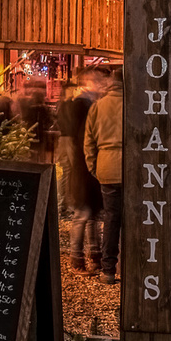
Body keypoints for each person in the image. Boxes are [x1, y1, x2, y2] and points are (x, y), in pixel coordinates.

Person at [57, 66, 107, 273]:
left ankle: (93, 255)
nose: (100, 85)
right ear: (88, 82)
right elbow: (82, 140)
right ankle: (77, 257)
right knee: (84, 214)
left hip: (86, 168)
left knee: (90, 214)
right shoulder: (81, 105)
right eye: (98, 81)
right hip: (84, 168)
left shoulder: (83, 104)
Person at [83, 67, 124, 285]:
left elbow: (88, 142)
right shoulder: (135, 105)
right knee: (134, 219)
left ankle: (108, 270)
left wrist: (94, 167)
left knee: (111, 219)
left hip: (106, 167)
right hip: (131, 168)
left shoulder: (98, 106)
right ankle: (132, 267)